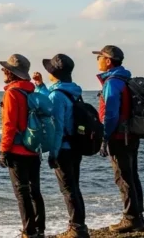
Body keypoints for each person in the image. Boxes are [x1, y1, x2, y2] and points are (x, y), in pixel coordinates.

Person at [33, 55, 89, 238]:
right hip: (76, 146)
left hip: (64, 148)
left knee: (68, 189)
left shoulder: (57, 94)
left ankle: (77, 228)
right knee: (74, 186)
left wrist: (53, 154)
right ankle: (80, 225)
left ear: (54, 73)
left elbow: (57, 127)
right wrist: (41, 87)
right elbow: (51, 102)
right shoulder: (72, 91)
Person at [94, 44, 144, 233]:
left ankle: (131, 218)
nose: (97, 60)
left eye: (99, 57)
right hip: (132, 135)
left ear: (108, 61)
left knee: (123, 178)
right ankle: (138, 217)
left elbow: (110, 115)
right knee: (132, 175)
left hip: (119, 137)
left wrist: (104, 138)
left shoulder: (112, 83)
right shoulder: (125, 79)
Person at [0, 53, 46, 238]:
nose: (3, 71)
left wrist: (3, 150)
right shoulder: (31, 92)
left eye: (5, 69)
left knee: (22, 193)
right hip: (34, 149)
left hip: (17, 150)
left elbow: (9, 125)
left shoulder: (12, 93)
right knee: (35, 191)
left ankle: (28, 231)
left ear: (11, 73)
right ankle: (40, 229)